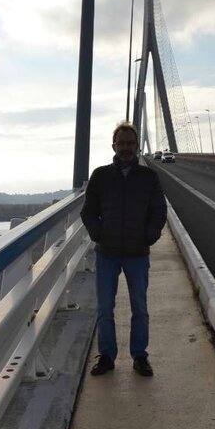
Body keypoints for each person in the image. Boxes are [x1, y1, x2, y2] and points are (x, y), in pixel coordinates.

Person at [80, 121, 167, 377]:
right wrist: (98, 234)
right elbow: (88, 211)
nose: (126, 148)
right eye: (122, 143)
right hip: (107, 252)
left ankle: (140, 356)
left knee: (139, 307)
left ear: (137, 145)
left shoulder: (149, 177)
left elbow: (159, 211)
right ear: (113, 146)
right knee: (105, 308)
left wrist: (148, 237)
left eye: (131, 143)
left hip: (137, 253)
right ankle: (107, 356)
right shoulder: (101, 176)